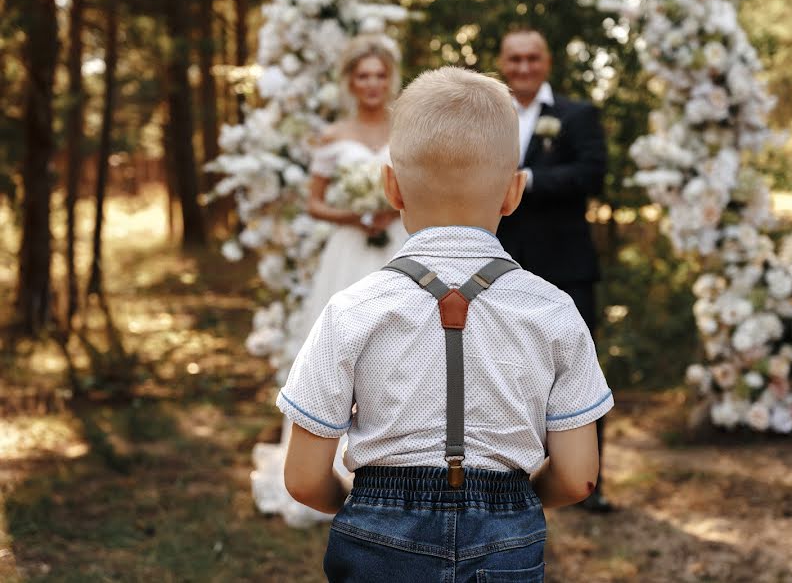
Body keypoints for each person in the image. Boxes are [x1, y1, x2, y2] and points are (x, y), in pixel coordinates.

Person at [277, 67, 614, 581]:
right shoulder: (554, 310)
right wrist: (516, 504)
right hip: (508, 531)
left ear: (391, 187)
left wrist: (368, 508)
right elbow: (579, 477)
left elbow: (303, 479)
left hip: (376, 530)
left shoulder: (352, 309)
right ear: (515, 192)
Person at [250, 34, 407, 528]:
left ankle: (395, 463)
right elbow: (313, 202)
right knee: (339, 351)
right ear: (349, 82)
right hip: (349, 250)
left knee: (399, 348)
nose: (372, 84)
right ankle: (324, 467)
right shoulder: (331, 135)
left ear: (390, 78)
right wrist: (354, 215)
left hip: (399, 241)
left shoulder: (405, 129)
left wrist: (391, 211)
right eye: (363, 76)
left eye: (380, 75)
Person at [495, 28, 612, 512]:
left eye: (532, 58)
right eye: (514, 59)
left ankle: (588, 483)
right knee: (503, 371)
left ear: (547, 61)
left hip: (566, 265)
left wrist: (527, 180)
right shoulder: (490, 115)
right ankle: (510, 476)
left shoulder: (576, 114)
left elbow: (592, 173)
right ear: (502, 63)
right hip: (501, 268)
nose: (523, 67)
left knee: (579, 372)